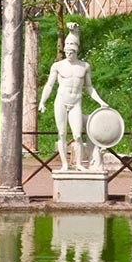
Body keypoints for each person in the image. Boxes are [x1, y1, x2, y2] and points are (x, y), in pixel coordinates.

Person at [39, 24, 109, 171]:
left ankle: (78, 164)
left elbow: (89, 88)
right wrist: (42, 102)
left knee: (77, 135)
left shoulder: (84, 66)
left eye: (72, 51)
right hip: (61, 101)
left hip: (76, 102)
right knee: (62, 133)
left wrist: (101, 102)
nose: (69, 53)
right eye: (67, 51)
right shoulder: (58, 66)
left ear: (76, 50)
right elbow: (49, 85)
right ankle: (65, 164)